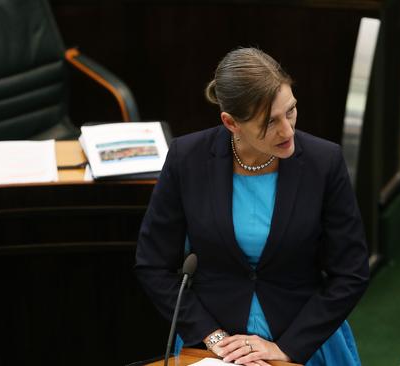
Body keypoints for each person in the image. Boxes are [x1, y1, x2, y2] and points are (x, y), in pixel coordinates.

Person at [135, 47, 369, 366]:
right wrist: (213, 336)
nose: (287, 131)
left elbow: (351, 273)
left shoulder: (324, 162)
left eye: (291, 111)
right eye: (270, 122)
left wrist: (286, 348)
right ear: (231, 123)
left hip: (305, 345)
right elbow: (153, 264)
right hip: (213, 349)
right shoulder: (186, 159)